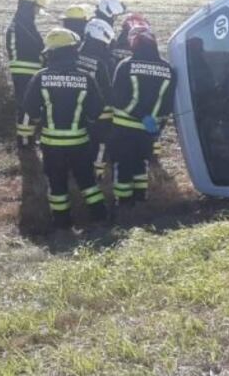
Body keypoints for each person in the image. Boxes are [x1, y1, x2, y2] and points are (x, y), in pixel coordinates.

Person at [19, 28, 107, 229]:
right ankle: (100, 219)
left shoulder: (40, 77)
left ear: (50, 52)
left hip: (52, 145)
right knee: (87, 182)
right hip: (80, 142)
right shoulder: (86, 78)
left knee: (57, 185)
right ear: (72, 51)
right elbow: (97, 111)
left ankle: (62, 226)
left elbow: (29, 109)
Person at [109, 27, 175, 207]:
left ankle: (124, 203)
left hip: (124, 126)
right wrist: (156, 123)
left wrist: (140, 114)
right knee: (140, 164)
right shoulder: (168, 69)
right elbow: (168, 102)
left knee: (123, 165)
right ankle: (140, 199)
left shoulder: (125, 65)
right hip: (149, 129)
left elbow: (117, 98)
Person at [7, 0, 51, 148]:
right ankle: (25, 141)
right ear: (30, 6)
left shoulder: (22, 22)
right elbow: (35, 47)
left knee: (27, 104)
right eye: (37, 7)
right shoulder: (22, 24)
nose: (38, 11)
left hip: (26, 69)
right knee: (26, 105)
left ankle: (28, 138)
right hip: (26, 70)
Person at [77, 18, 116, 178]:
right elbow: (107, 90)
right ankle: (97, 173)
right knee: (101, 141)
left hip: (76, 107)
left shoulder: (73, 55)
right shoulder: (102, 62)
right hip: (100, 110)